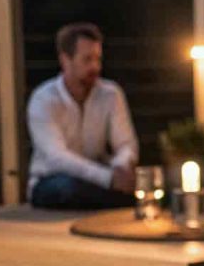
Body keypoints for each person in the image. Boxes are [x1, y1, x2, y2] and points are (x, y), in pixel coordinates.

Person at [27, 22, 138, 209]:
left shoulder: (111, 94)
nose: (95, 66)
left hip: (100, 178)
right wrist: (109, 178)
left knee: (154, 183)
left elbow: (126, 143)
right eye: (87, 60)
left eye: (98, 59)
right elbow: (57, 157)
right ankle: (118, 200)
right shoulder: (44, 99)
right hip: (52, 179)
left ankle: (115, 199)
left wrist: (120, 167)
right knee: (68, 188)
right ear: (65, 60)